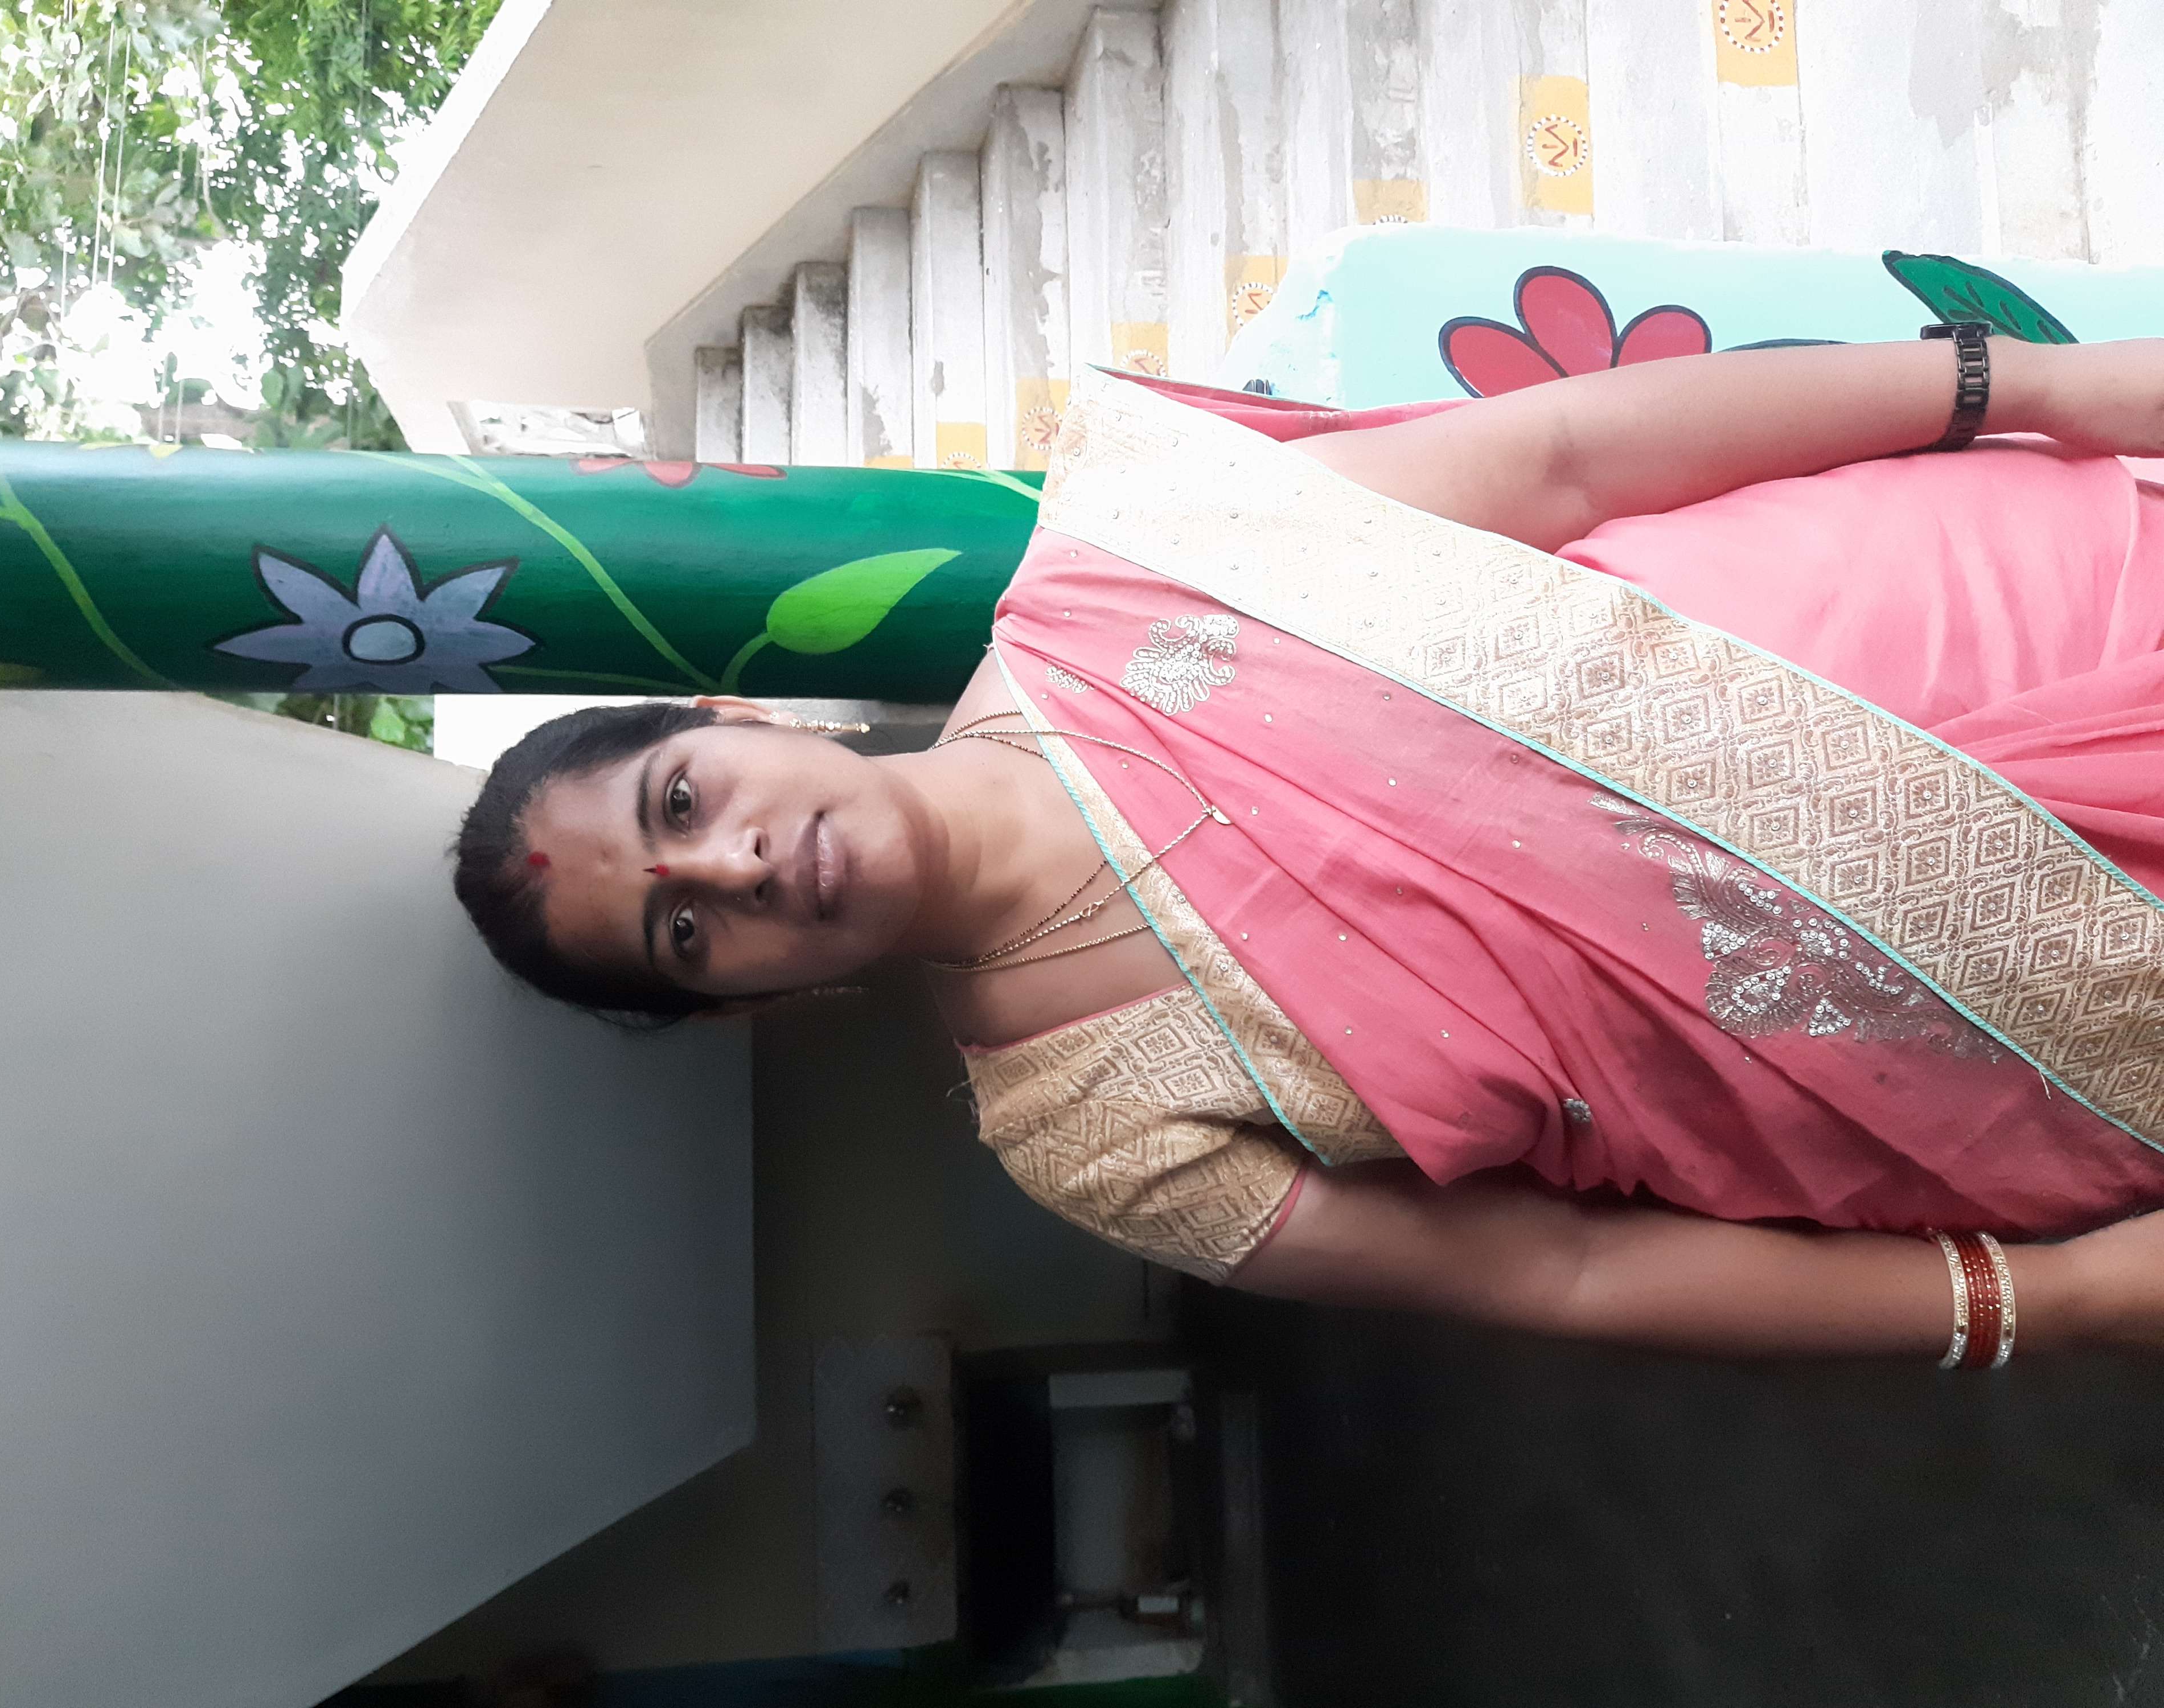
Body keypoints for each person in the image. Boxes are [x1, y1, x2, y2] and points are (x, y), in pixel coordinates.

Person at [454, 332, 2164, 1367]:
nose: (737, 870)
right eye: (687, 937)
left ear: (734, 719)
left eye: (679, 803)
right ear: (751, 1004)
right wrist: (2059, 1302)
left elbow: (1573, 458)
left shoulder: (1130, 550)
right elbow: (1564, 1271)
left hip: (2021, 617)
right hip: (2056, 1050)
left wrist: (2045, 386)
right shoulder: (1087, 1126)